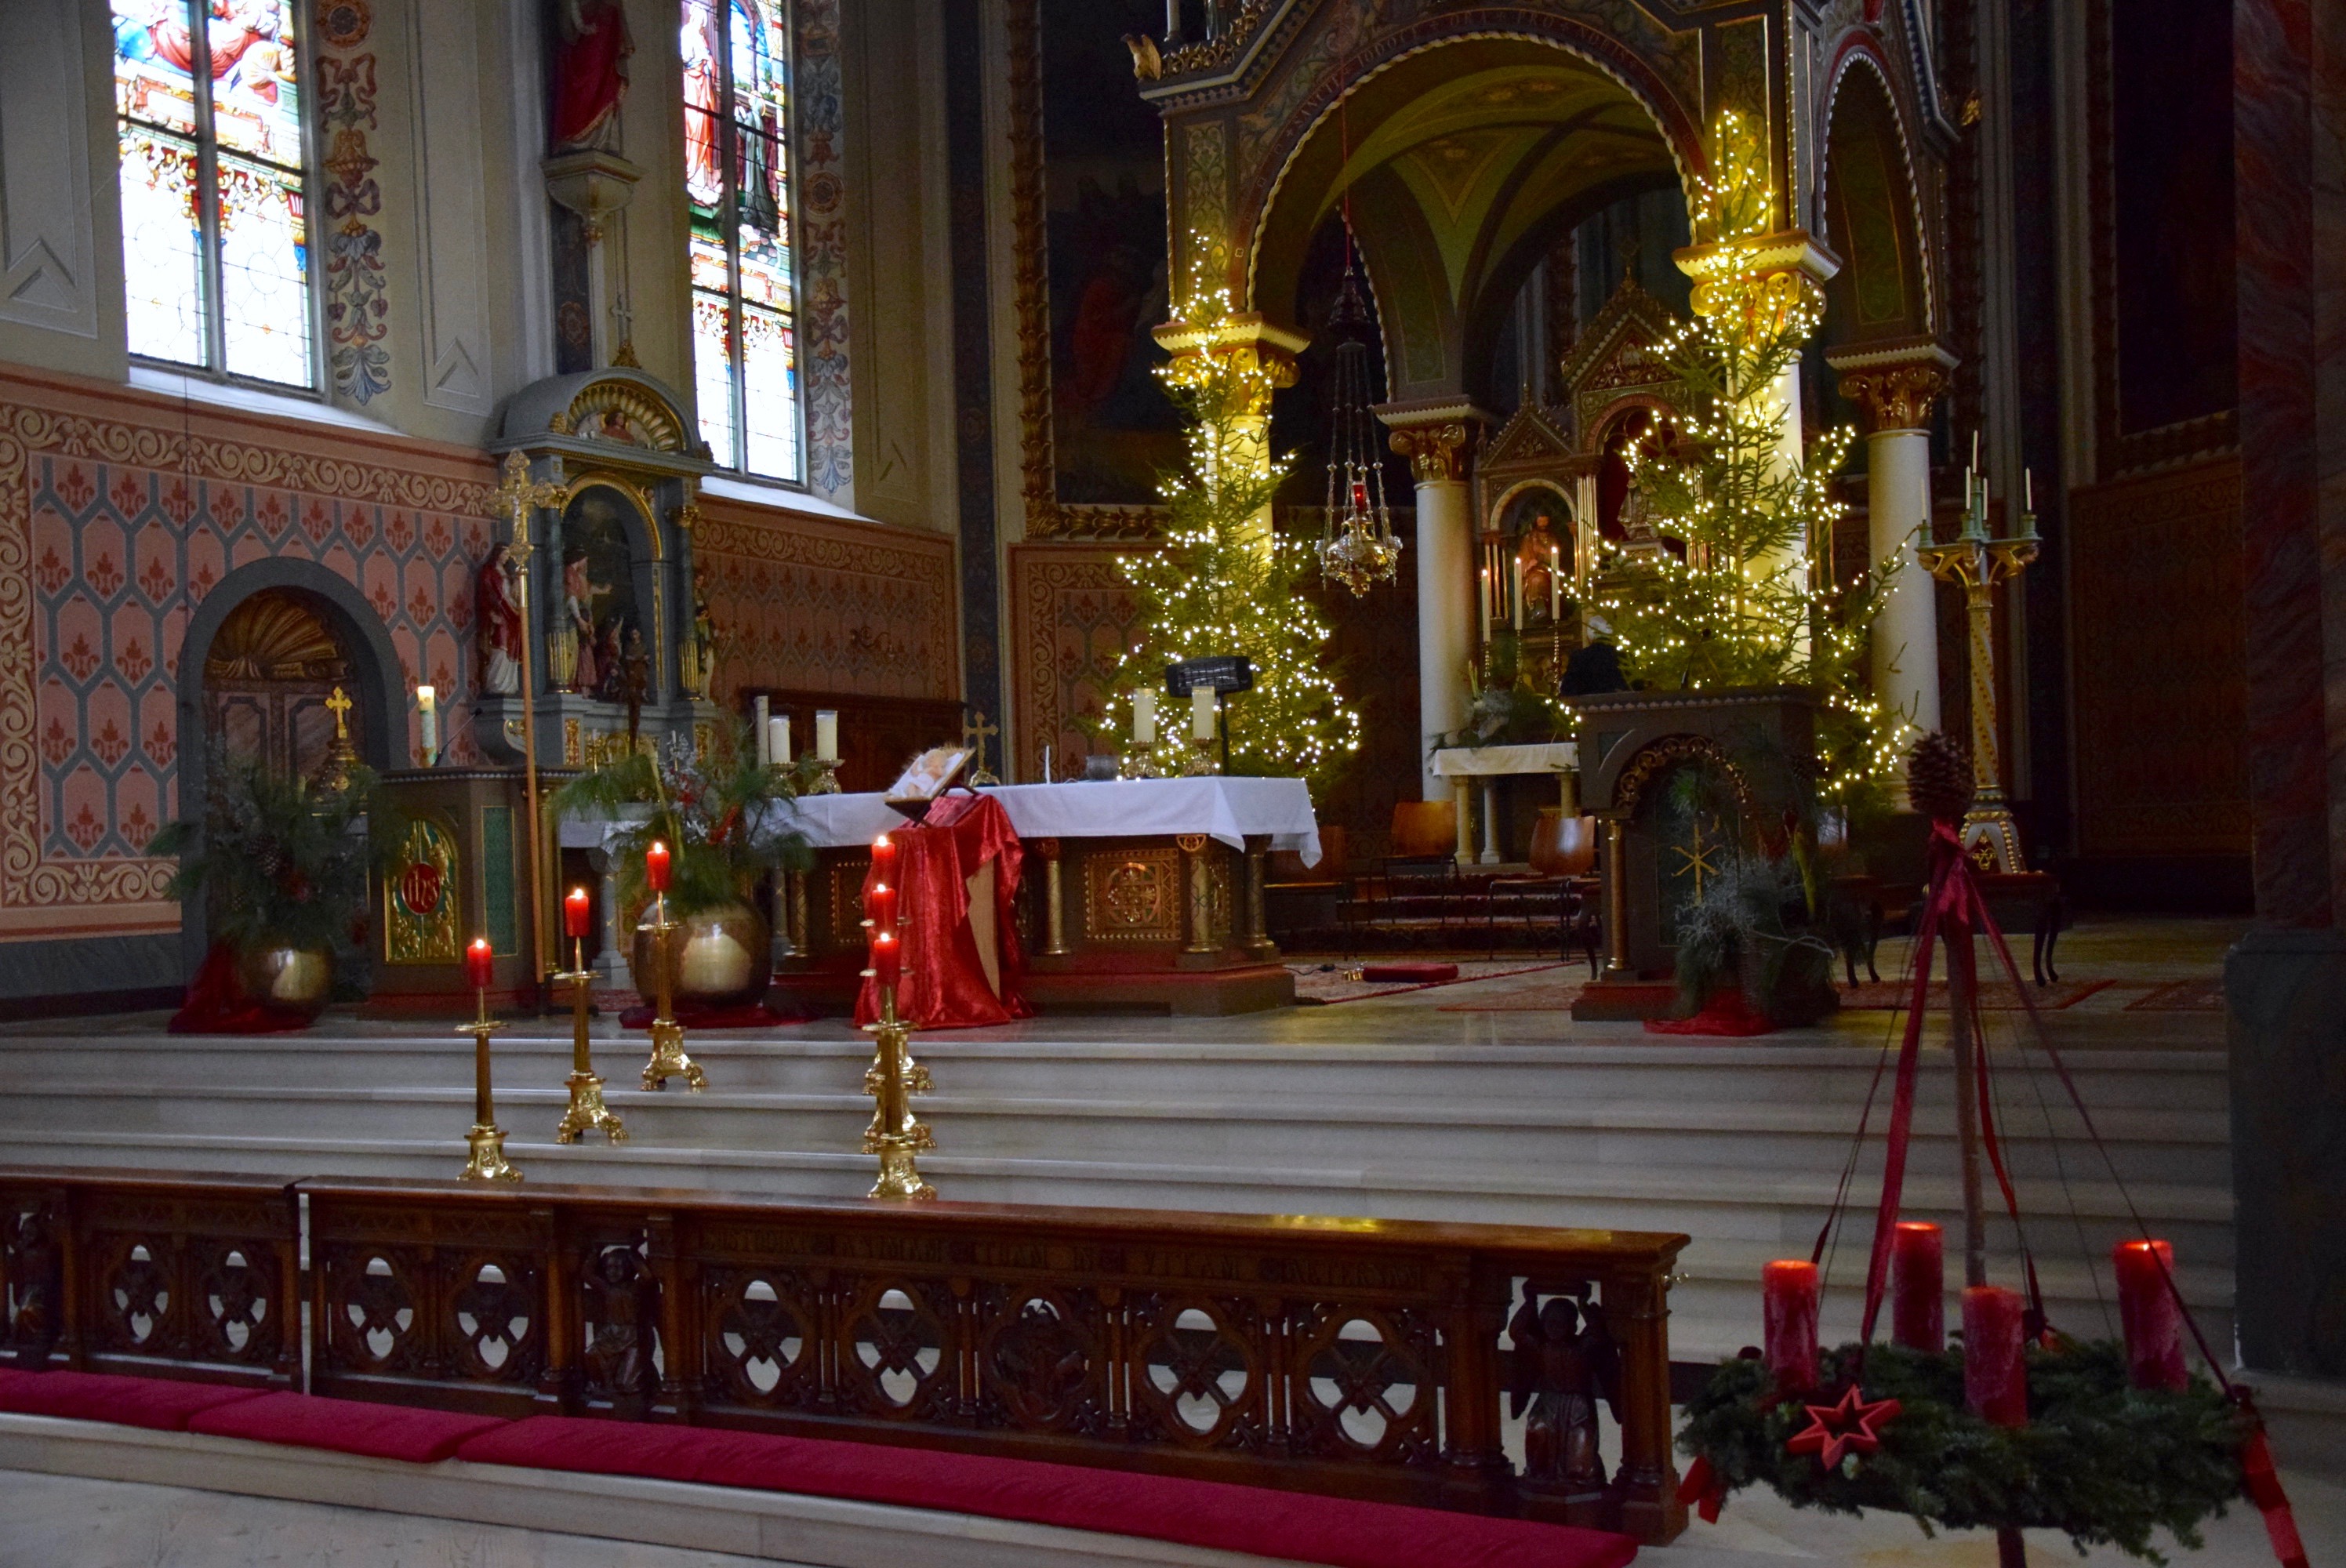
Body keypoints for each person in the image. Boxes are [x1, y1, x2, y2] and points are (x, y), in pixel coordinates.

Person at [475, 544, 522, 696]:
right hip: (499, 614)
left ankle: (509, 685)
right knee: (500, 645)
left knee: (512, 646)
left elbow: (513, 594)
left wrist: (517, 582)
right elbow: (485, 595)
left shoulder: (508, 574)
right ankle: (496, 683)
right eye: (505, 554)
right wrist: (490, 613)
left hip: (512, 614)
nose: (507, 557)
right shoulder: (488, 572)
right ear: (498, 554)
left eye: (508, 555)